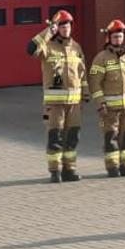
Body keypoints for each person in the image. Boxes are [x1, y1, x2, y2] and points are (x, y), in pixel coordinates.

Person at [26, 10, 86, 183]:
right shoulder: (48, 47)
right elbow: (30, 49)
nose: (65, 28)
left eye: (67, 25)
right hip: (55, 104)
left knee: (72, 136)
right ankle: (55, 170)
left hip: (74, 103)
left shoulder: (76, 48)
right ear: (56, 28)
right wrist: (47, 32)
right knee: (56, 136)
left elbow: (82, 74)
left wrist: (85, 95)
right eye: (61, 25)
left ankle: (70, 170)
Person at [88, 19, 125, 178]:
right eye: (115, 36)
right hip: (109, 108)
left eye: (120, 36)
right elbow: (95, 83)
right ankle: (112, 167)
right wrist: (100, 103)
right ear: (109, 38)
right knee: (111, 136)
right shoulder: (101, 58)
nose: (118, 39)